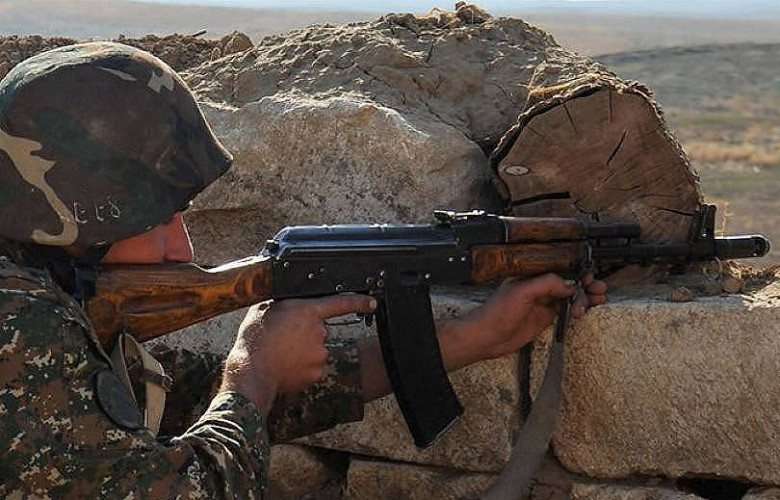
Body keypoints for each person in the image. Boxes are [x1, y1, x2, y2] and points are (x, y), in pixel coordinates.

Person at [0, 42, 607, 497]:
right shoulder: (22, 319)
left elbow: (171, 401)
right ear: (76, 219)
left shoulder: (43, 294)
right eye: (158, 219)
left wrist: (476, 337)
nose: (182, 248)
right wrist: (255, 371)